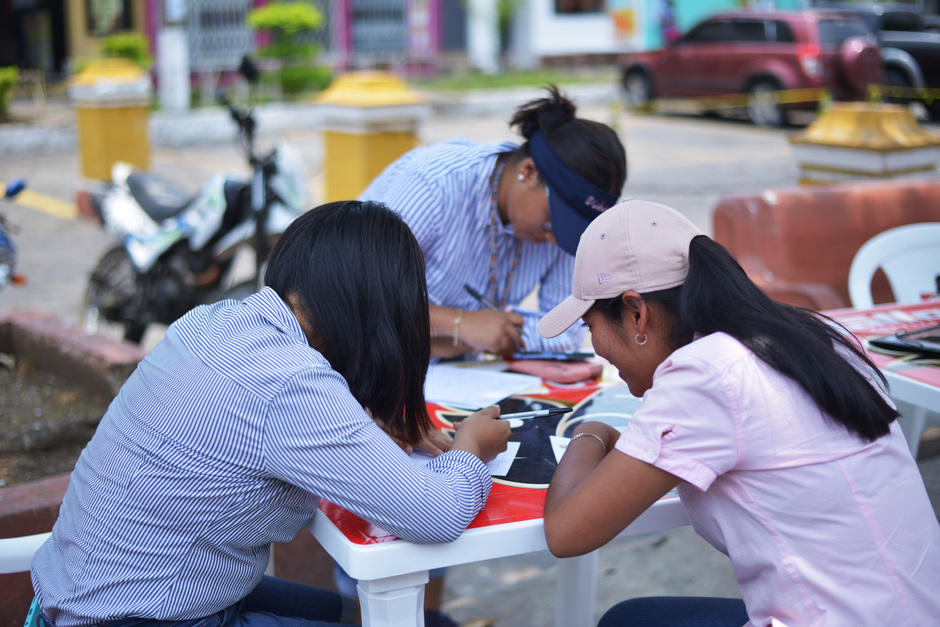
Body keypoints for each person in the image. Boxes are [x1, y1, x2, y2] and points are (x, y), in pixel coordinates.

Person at [28, 200, 511, 627]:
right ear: (378, 308)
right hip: (140, 614)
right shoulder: (289, 381)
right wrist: (471, 443)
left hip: (88, 595)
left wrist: (363, 421)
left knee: (393, 616)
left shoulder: (215, 321)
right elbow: (436, 513)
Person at [538, 199, 940, 626]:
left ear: (637, 314)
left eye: (589, 325)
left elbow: (566, 533)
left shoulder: (705, 374)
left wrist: (590, 431)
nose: (594, 346)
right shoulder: (815, 336)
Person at [359, 84, 627, 360]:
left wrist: (476, 337)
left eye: (572, 231)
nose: (555, 239)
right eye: (552, 222)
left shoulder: (561, 233)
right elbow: (358, 295)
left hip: (452, 376)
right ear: (529, 171)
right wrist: (458, 324)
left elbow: (564, 333)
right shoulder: (434, 184)